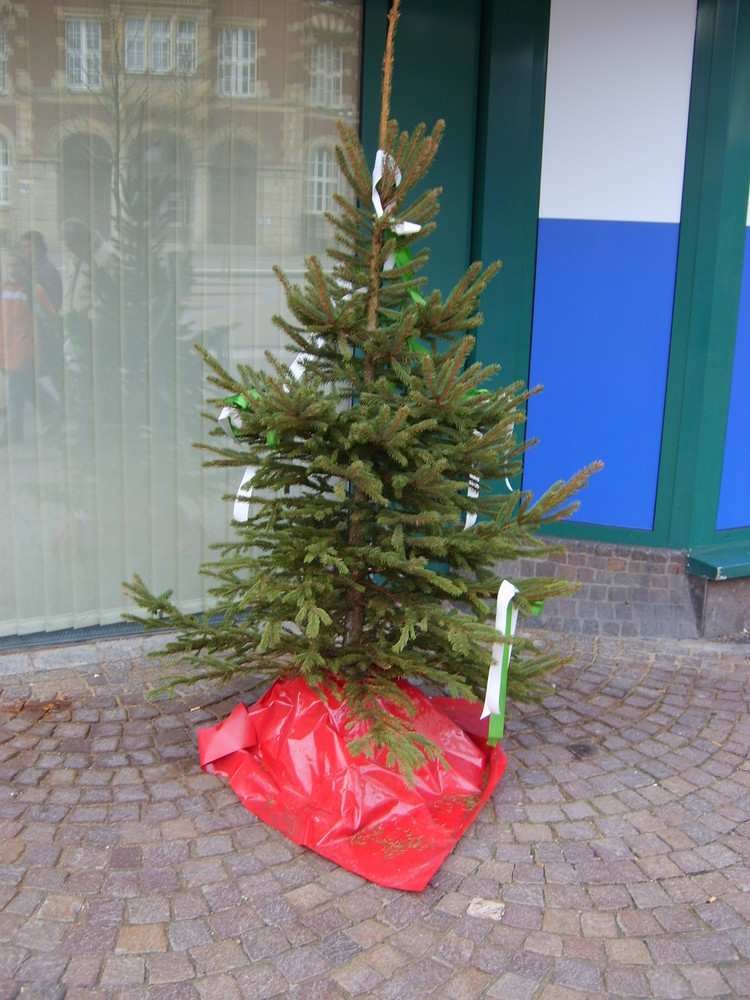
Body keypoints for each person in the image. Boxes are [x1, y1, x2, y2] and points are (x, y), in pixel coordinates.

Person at [0, 250, 56, 443]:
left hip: (24, 351)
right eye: (9, 265)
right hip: (8, 350)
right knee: (30, 389)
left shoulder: (33, 290)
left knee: (15, 393)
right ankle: (57, 413)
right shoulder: (4, 289)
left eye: (16, 265)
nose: (11, 269)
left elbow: (48, 318)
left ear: (25, 267)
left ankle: (11, 434)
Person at [20, 230, 63, 423]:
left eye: (27, 246)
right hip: (35, 330)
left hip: (44, 331)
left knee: (49, 372)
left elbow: (52, 302)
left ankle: (58, 410)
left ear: (37, 247)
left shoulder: (45, 270)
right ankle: (56, 409)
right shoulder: (33, 267)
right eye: (22, 246)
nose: (24, 250)